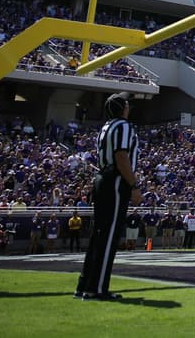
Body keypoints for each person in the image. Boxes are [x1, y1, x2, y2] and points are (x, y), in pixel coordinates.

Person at [74, 92, 141, 301]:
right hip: (115, 181)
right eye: (127, 105)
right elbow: (122, 157)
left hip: (102, 178)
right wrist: (134, 185)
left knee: (98, 235)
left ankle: (84, 284)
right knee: (109, 236)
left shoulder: (106, 127)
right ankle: (98, 288)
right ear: (124, 108)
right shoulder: (123, 126)